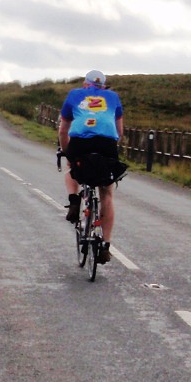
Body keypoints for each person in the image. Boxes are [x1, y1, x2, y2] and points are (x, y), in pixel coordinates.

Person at [59, 69, 123, 264]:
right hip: (106, 145)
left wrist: (67, 152)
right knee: (106, 192)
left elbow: (63, 130)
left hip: (80, 142)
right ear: (103, 86)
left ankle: (74, 201)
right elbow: (119, 132)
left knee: (72, 169)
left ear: (85, 84)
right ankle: (105, 244)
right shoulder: (113, 97)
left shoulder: (75, 94)